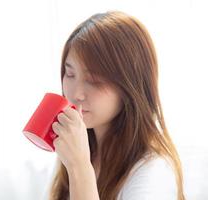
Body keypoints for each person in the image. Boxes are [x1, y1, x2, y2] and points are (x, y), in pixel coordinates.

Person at [48, 11, 185, 200]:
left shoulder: (153, 172)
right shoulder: (81, 148)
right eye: (70, 74)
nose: (76, 94)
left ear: (130, 86)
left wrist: (79, 167)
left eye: (94, 80)